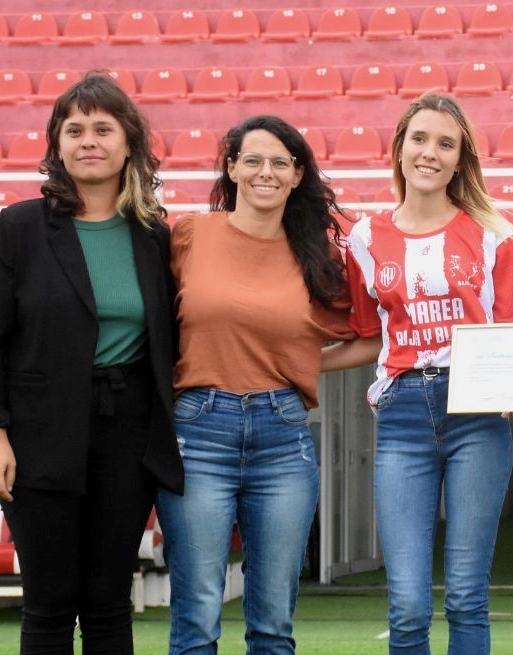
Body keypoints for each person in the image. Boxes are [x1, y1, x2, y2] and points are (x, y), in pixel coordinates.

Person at [0, 72, 183, 654]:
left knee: (110, 602)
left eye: (103, 129)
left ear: (129, 143)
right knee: (49, 604)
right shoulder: (21, 227)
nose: (89, 140)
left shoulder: (154, 234)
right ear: (57, 145)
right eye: (75, 129)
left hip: (128, 434)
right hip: (39, 435)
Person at [322, 93, 513, 655]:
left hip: (477, 415)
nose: (430, 153)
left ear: (461, 160)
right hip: (403, 416)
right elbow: (366, 336)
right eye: (420, 139)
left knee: (464, 597)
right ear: (400, 148)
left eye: (445, 144)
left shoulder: (496, 236)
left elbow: (511, 334)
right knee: (407, 604)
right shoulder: (363, 238)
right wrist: (299, 361)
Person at [155, 115, 355, 654]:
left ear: (296, 176)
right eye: (253, 160)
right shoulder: (191, 233)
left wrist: (302, 364)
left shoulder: (318, 255)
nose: (266, 172)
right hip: (198, 433)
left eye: (280, 163)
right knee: (196, 617)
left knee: (272, 623)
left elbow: (370, 338)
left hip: (283, 436)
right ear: (232, 168)